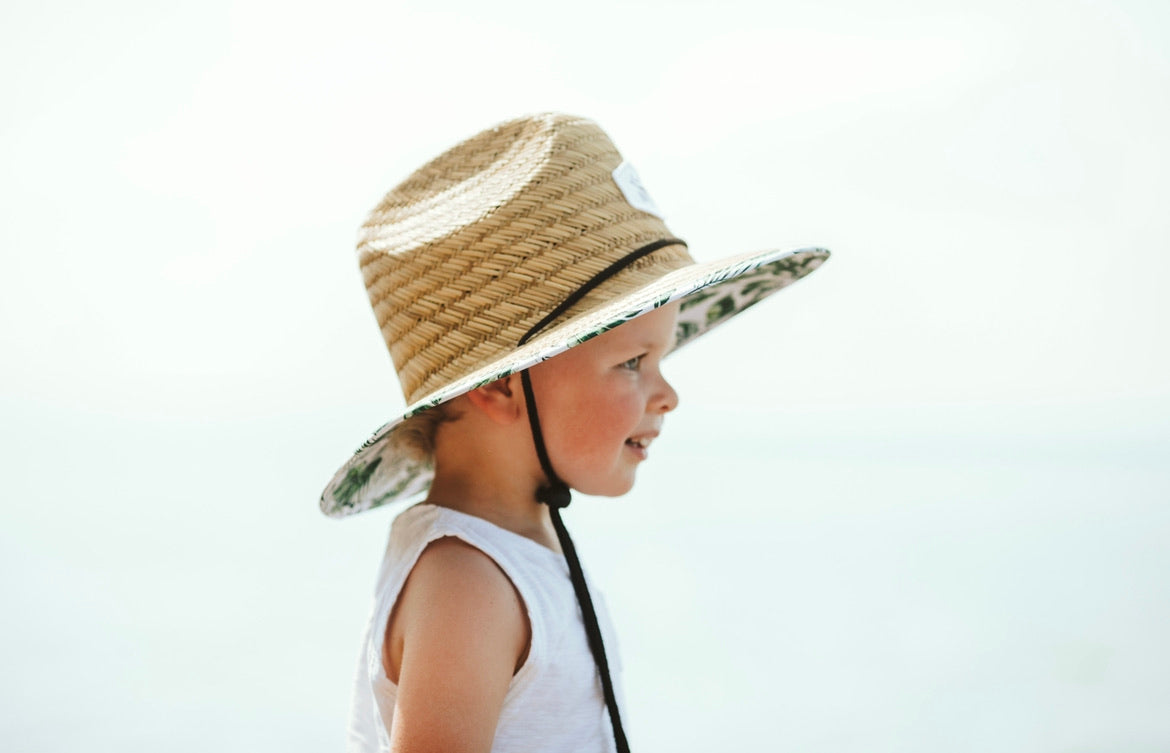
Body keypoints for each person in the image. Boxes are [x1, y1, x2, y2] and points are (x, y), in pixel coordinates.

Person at [320, 113, 830, 753]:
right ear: (503, 385)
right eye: (631, 363)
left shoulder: (512, 551)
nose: (667, 395)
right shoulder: (468, 582)